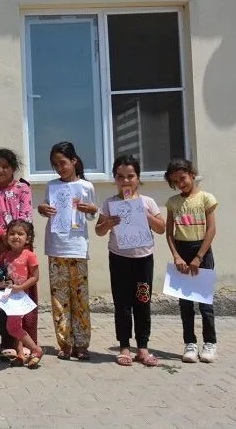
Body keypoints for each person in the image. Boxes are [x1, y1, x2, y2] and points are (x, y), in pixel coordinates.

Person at [95, 155, 166, 367]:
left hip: (143, 259)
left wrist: (147, 216)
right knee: (122, 304)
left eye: (130, 176)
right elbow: (99, 231)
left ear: (138, 177)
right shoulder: (110, 203)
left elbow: (161, 228)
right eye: (120, 176)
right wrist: (108, 223)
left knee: (143, 302)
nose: (126, 181)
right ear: (115, 178)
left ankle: (142, 347)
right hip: (119, 259)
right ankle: (124, 346)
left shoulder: (147, 202)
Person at [37, 141, 97, 361]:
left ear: (74, 161)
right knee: (59, 299)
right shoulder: (51, 186)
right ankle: (65, 343)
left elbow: (91, 215)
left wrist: (92, 210)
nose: (60, 168)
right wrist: (42, 209)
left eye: (63, 163)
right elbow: (45, 207)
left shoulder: (86, 187)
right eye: (55, 165)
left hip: (78, 247)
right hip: (56, 247)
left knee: (80, 299)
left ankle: (82, 343)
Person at [0, 148, 33, 356]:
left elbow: (25, 216)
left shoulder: (23, 189)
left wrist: (15, 237)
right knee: (2, 293)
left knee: (21, 292)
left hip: (22, 248)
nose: (0, 170)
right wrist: (3, 235)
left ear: (13, 168)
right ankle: (7, 342)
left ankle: (26, 341)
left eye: (5, 166)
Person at [164, 158, 219, 363]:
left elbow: (211, 230)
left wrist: (199, 257)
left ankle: (210, 343)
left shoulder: (206, 198)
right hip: (182, 252)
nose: (180, 183)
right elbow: (169, 233)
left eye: (183, 178)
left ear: (191, 174)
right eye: (175, 181)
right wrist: (177, 256)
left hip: (202, 252)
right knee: (185, 303)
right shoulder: (173, 202)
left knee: (205, 303)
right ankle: (190, 343)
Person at [0, 220, 42, 369]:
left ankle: (35, 350)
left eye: (20, 233)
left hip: (20, 298)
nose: (16, 237)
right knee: (15, 326)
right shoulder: (5, 256)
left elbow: (35, 277)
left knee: (13, 328)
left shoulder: (29, 255)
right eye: (12, 233)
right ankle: (21, 353)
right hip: (8, 298)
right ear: (6, 237)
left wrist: (20, 287)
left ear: (28, 238)